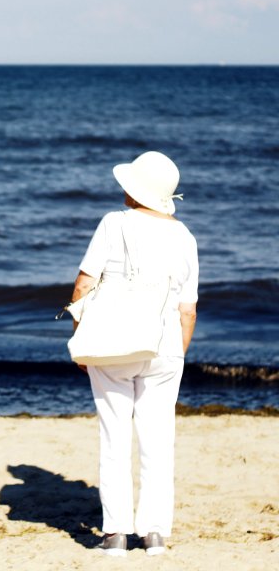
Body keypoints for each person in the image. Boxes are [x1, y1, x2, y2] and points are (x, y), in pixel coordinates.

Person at [69, 151, 198, 557]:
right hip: (164, 349)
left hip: (112, 345)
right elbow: (188, 310)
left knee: (114, 436)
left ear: (136, 190)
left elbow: (83, 286)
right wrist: (176, 354)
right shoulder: (185, 237)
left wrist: (82, 337)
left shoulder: (114, 223)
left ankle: (116, 534)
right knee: (158, 442)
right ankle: (155, 533)